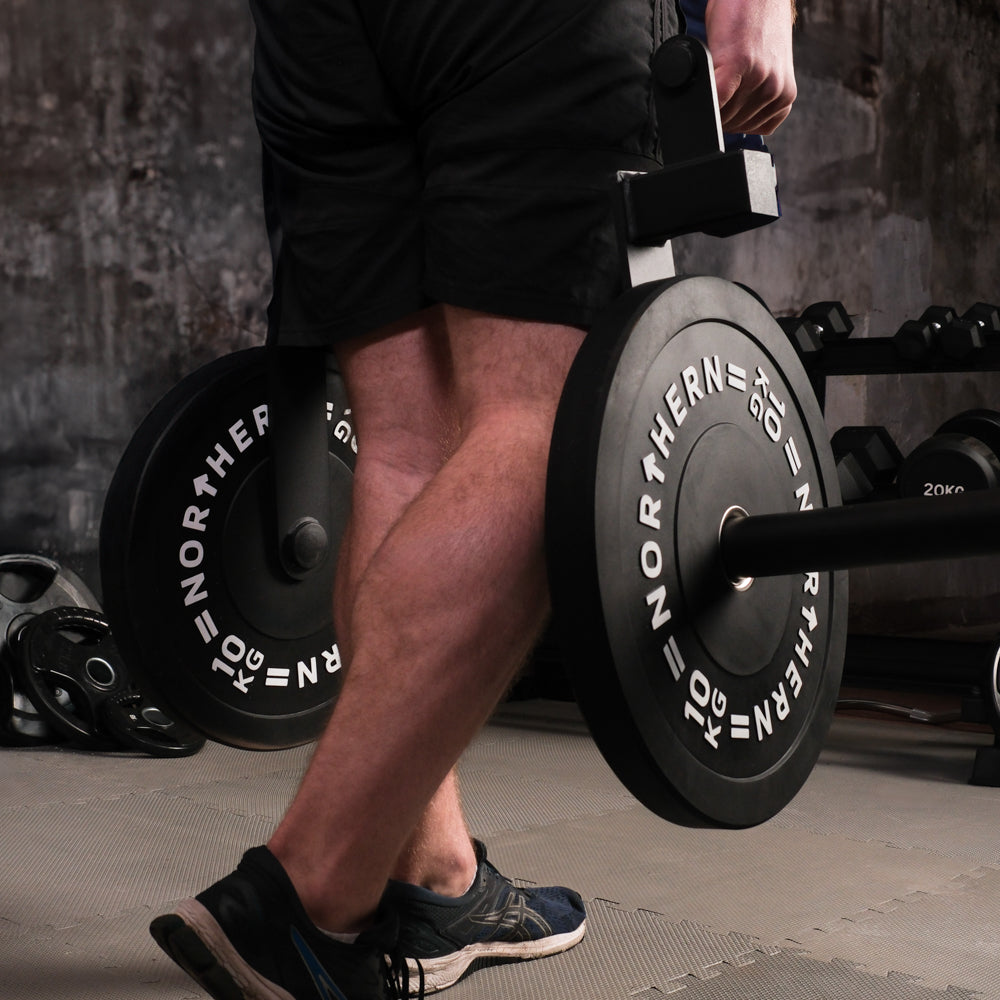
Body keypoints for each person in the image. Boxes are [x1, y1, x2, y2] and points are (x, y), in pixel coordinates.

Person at [149, 1, 797, 998]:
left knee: (405, 451)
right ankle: (304, 890)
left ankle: (432, 872)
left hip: (321, 36)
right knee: (553, 434)